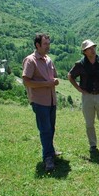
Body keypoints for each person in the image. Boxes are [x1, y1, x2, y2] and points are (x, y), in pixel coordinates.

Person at [68, 40, 99, 153]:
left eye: (93, 47)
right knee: (89, 123)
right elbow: (70, 76)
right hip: (87, 97)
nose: (93, 50)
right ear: (84, 52)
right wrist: (79, 89)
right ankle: (93, 146)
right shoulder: (80, 64)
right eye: (90, 48)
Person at [22, 33, 60, 171]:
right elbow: (26, 81)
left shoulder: (48, 59)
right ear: (37, 45)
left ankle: (50, 151)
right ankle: (48, 158)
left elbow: (53, 76)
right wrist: (47, 83)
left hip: (51, 100)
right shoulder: (30, 60)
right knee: (45, 130)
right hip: (40, 101)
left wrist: (54, 81)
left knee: (51, 128)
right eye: (45, 44)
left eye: (49, 43)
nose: (48, 46)